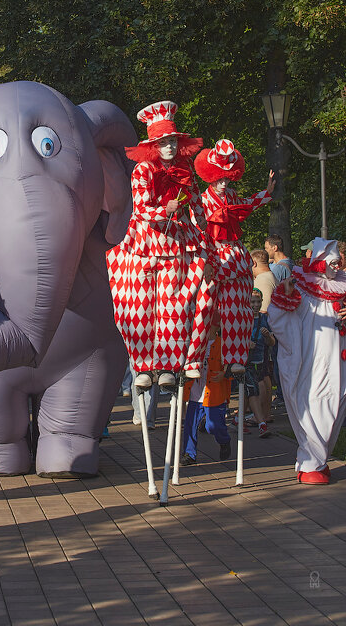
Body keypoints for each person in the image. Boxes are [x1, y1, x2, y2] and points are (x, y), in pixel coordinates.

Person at [108, 100, 214, 397]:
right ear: (153, 145)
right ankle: (142, 366)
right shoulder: (142, 171)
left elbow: (194, 202)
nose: (168, 146)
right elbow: (141, 209)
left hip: (175, 244)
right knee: (140, 306)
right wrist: (166, 210)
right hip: (143, 244)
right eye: (163, 142)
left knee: (174, 306)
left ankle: (168, 364)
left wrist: (203, 222)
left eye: (172, 141)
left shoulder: (184, 170)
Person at [268, 238, 346, 485]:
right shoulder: (299, 284)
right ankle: (310, 461)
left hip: (338, 359)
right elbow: (279, 316)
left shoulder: (342, 286)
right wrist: (286, 296)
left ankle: (319, 460)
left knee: (337, 401)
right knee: (311, 400)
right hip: (310, 358)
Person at [194, 139, 275, 373]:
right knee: (203, 309)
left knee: (237, 310)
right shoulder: (201, 201)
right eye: (219, 178)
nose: (223, 182)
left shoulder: (231, 195)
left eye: (227, 178)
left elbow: (248, 204)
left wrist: (266, 193)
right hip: (213, 256)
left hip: (235, 258)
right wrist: (206, 260)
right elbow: (197, 232)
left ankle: (235, 358)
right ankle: (193, 358)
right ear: (210, 176)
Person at [181, 317, 232, 465]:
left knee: (213, 425)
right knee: (190, 424)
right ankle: (189, 454)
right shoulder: (195, 343)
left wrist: (224, 374)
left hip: (214, 393)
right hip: (196, 392)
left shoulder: (223, 343)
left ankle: (224, 440)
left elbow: (231, 362)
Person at [244, 289, 275, 437]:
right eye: (252, 302)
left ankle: (240, 420)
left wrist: (268, 336)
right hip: (246, 361)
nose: (255, 305)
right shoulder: (243, 318)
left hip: (260, 359)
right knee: (252, 390)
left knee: (251, 389)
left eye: (258, 301)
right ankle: (261, 423)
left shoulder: (265, 319)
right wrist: (246, 344)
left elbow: (272, 342)